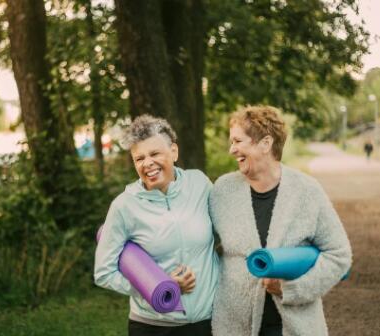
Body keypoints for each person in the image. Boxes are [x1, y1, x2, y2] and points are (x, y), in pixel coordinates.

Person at [209, 106, 352, 336]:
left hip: (295, 326)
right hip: (233, 327)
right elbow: (204, 246)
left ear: (265, 144)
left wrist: (291, 290)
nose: (231, 149)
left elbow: (339, 255)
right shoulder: (222, 191)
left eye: (238, 141)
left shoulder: (307, 191)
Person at [94, 115, 219, 336]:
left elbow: (224, 233)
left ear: (174, 152)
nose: (147, 163)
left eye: (154, 154)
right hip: (153, 326)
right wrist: (157, 287)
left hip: (207, 322)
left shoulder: (199, 184)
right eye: (139, 158)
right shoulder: (124, 206)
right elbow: (104, 272)